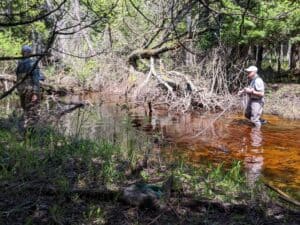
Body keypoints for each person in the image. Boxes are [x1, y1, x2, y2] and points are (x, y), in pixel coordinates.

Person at [16, 45, 41, 130]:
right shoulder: (32, 63)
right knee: (33, 111)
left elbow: (18, 79)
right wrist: (35, 93)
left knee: (25, 109)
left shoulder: (19, 64)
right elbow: (35, 79)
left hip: (22, 91)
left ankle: (25, 129)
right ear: (30, 53)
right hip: (30, 90)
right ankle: (31, 132)